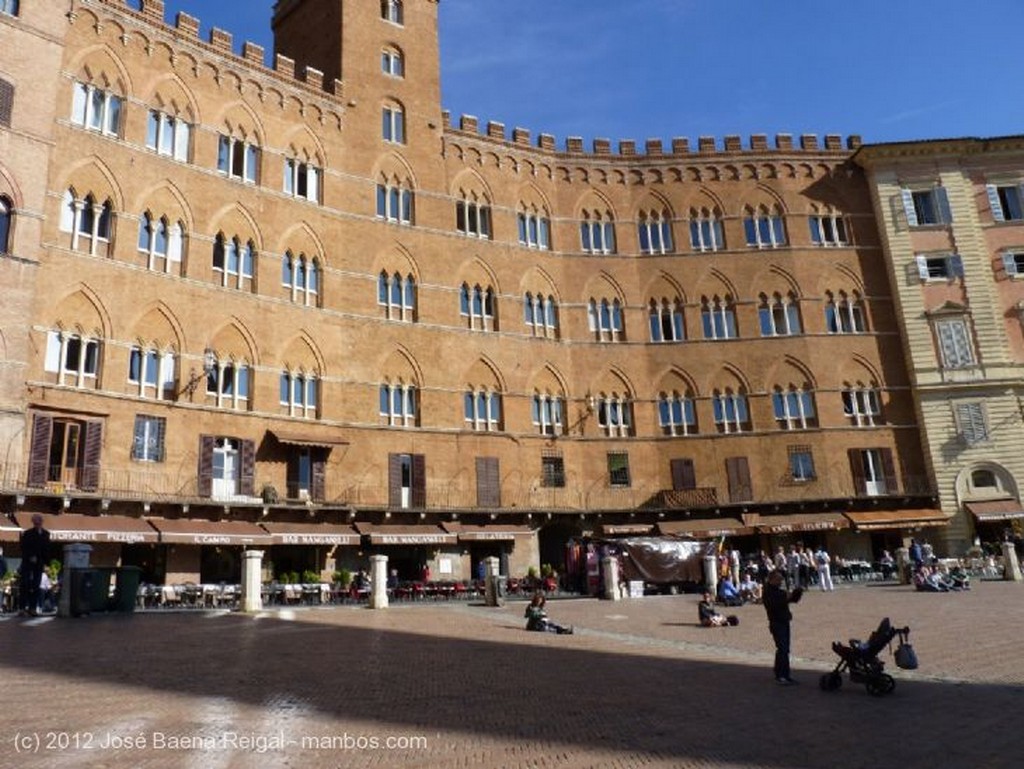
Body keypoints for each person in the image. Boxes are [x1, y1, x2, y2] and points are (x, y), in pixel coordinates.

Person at [763, 568, 802, 685]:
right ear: (772, 579)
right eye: (778, 579)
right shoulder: (769, 591)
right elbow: (776, 604)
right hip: (776, 622)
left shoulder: (777, 590)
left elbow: (791, 600)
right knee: (782, 649)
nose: (780, 582)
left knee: (784, 649)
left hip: (784, 621)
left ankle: (784, 674)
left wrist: (797, 593)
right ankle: (781, 675)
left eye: (781, 579)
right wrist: (788, 597)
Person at [19, 513, 50, 617]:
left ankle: (33, 608)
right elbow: (24, 547)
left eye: (40, 521)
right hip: (28, 563)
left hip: (39, 563)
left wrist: (46, 563)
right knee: (25, 584)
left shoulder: (46, 534)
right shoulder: (27, 533)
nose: (38, 523)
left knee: (36, 586)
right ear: (33, 522)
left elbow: (46, 549)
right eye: (36, 521)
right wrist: (30, 556)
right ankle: (22, 608)